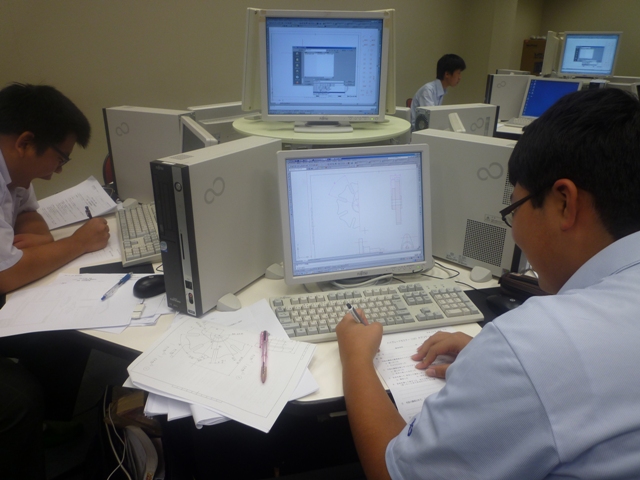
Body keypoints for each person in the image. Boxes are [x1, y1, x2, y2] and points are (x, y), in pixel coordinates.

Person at [336, 88, 640, 479]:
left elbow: (391, 472)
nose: (513, 232)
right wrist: (495, 368)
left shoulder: (536, 346)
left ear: (564, 202)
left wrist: (356, 359)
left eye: (514, 209)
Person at [0, 82, 110, 479]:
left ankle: (41, 428)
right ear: (25, 143)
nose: (59, 170)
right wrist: (76, 243)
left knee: (63, 325)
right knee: (18, 399)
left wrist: (44, 244)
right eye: (60, 158)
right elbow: (6, 275)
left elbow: (29, 215)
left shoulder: (14, 170)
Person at [410, 53, 466, 130]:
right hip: (416, 133)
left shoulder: (441, 90)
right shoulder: (428, 90)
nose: (460, 77)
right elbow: (431, 120)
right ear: (447, 74)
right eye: (458, 73)